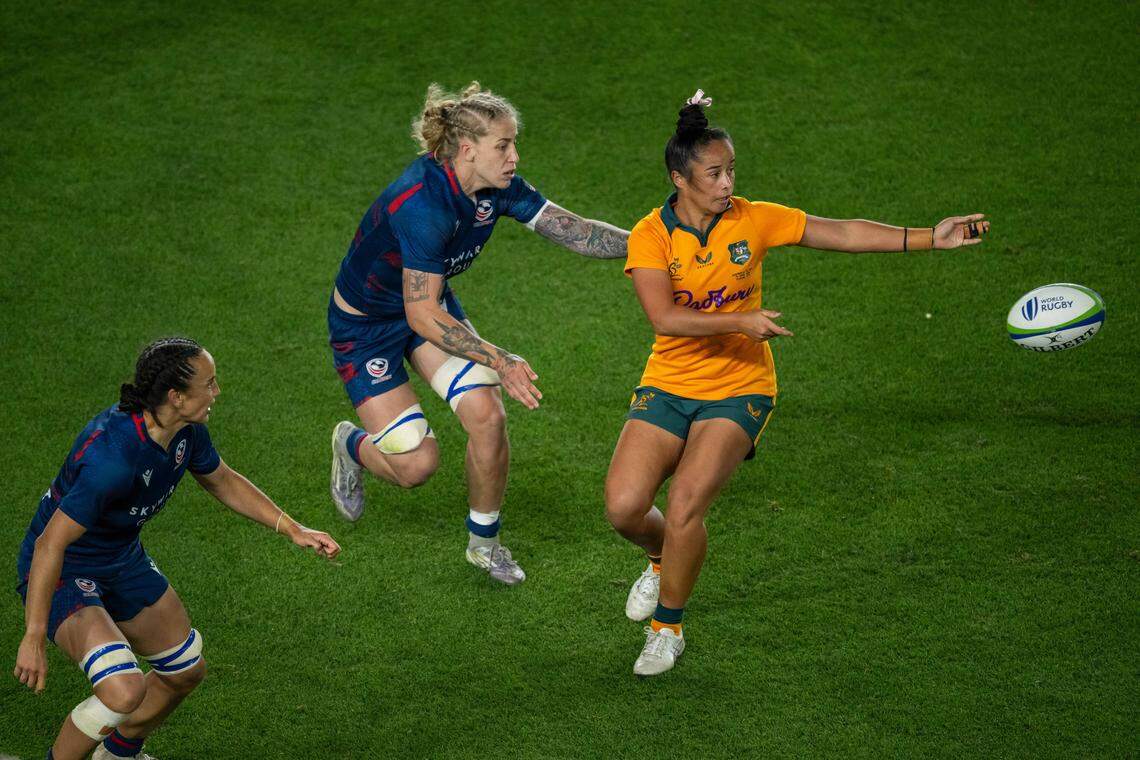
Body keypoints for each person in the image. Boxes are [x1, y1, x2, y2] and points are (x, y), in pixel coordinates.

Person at [605, 90, 990, 676]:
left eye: (731, 168)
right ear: (679, 179)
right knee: (625, 508)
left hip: (741, 386)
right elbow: (664, 318)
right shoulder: (649, 236)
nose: (727, 181)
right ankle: (660, 559)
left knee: (685, 505)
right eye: (714, 172)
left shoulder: (751, 219)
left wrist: (928, 237)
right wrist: (742, 320)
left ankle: (668, 628)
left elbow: (839, 232)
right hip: (669, 382)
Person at [327, 81, 628, 585]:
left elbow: (570, 229)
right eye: (504, 145)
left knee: (487, 415)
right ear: (467, 150)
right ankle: (350, 445)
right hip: (367, 328)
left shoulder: (498, 186)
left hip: (426, 306)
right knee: (416, 466)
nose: (514, 156)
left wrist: (653, 242)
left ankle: (484, 546)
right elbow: (422, 316)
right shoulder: (421, 204)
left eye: (514, 143)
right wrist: (501, 359)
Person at [13, 337, 341, 760]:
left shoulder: (185, 431)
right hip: (64, 571)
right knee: (123, 688)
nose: (216, 392)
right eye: (209, 383)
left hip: (120, 558)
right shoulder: (113, 458)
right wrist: (34, 635)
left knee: (185, 671)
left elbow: (221, 479)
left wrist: (291, 528)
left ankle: (117, 755)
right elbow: (49, 544)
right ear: (175, 396)